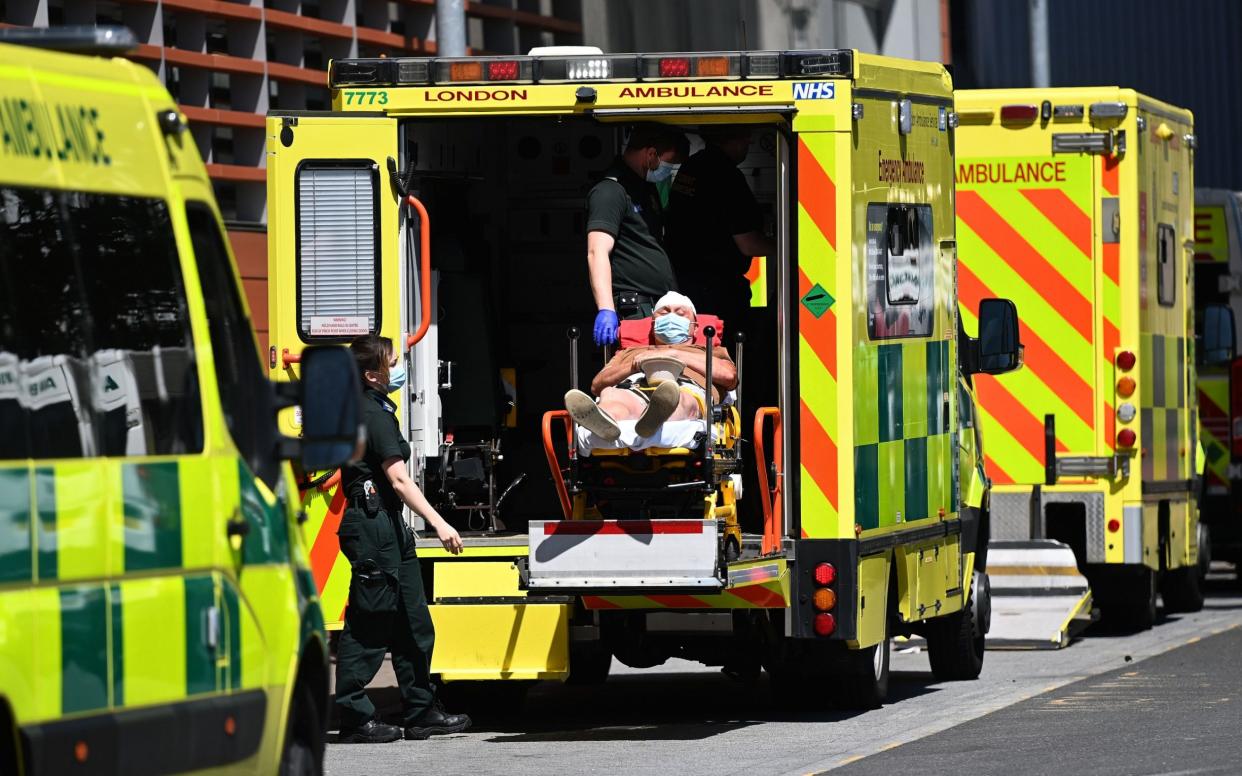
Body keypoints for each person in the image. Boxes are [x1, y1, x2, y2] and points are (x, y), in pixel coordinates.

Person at [334, 334, 471, 744]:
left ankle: (421, 710)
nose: (399, 367)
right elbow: (397, 478)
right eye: (392, 362)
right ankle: (355, 717)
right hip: (375, 526)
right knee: (370, 623)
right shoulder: (371, 414)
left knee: (414, 622)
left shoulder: (377, 407)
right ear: (372, 373)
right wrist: (439, 523)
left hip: (390, 525)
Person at [564, 292, 737, 440]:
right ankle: (607, 420)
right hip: (635, 388)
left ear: (696, 328)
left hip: (686, 389)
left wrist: (675, 354)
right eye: (664, 312)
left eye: (680, 313)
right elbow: (597, 386)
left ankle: (660, 417)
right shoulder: (631, 352)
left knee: (681, 399)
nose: (671, 317)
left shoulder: (706, 351)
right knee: (611, 395)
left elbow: (730, 377)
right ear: (653, 323)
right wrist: (633, 365)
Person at [665, 126, 777, 340]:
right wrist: (788, 246)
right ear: (733, 141)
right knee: (729, 352)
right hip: (718, 290)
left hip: (685, 285)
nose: (746, 148)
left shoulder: (692, 166)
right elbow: (749, 244)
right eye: (746, 142)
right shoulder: (726, 174)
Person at [586, 123, 688, 346]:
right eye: (668, 163)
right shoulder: (610, 191)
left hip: (657, 307)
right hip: (634, 309)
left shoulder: (644, 188)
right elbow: (597, 251)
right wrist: (606, 309)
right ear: (651, 154)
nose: (668, 170)